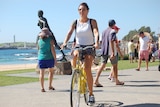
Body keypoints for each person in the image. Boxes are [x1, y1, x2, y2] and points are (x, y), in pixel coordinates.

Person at [61, 2, 99, 104]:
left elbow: (95, 32)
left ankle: (91, 94)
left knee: (87, 69)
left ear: (87, 11)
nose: (81, 11)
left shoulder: (92, 21)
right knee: (74, 55)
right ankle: (76, 73)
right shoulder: (75, 22)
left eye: (83, 9)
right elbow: (69, 32)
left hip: (89, 46)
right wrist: (64, 42)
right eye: (80, 10)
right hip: (78, 45)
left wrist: (96, 42)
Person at [94, 19, 124, 87]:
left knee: (102, 65)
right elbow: (112, 40)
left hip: (104, 50)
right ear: (114, 25)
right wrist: (113, 52)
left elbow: (101, 41)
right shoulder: (112, 31)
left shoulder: (104, 31)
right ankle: (116, 80)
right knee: (115, 66)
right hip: (111, 51)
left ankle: (96, 80)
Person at [37, 28, 57, 92]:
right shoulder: (50, 40)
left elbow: (38, 50)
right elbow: (53, 50)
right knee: (51, 72)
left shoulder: (39, 41)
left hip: (41, 58)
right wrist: (55, 59)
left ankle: (42, 87)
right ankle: (50, 86)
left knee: (41, 73)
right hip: (49, 58)